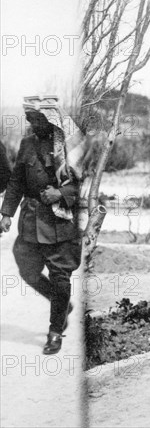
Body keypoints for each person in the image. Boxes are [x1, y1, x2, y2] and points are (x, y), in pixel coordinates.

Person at [0, 95, 84, 355]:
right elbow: (16, 182)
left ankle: (55, 331)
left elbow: (86, 185)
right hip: (31, 221)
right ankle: (62, 303)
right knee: (26, 268)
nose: (33, 123)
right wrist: (6, 214)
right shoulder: (27, 144)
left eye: (38, 118)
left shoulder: (71, 145)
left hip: (60, 224)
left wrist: (62, 194)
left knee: (60, 280)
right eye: (29, 118)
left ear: (52, 118)